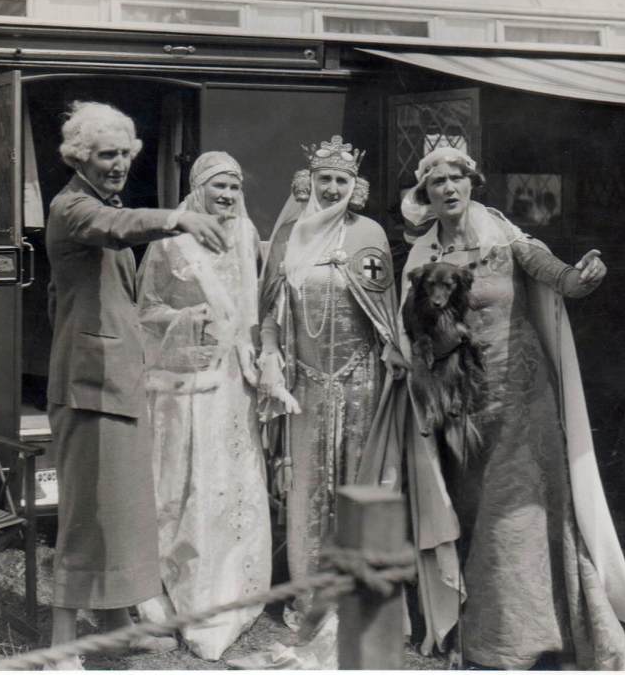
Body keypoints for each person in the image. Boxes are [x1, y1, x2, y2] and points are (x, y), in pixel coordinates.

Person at [397, 146, 625, 668]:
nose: (449, 188)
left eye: (457, 179)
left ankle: (521, 638)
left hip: (520, 393)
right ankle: (473, 627)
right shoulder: (422, 254)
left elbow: (558, 277)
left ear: (472, 183)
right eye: (437, 183)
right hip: (462, 403)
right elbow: (411, 329)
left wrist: (582, 276)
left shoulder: (503, 234)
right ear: (426, 194)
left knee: (516, 509)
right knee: (470, 508)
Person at [45, 101, 230, 668]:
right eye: (107, 154)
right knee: (86, 516)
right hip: (88, 384)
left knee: (121, 511)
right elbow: (116, 229)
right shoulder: (72, 208)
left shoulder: (103, 205)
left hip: (116, 377)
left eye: (126, 153)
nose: (120, 164)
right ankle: (61, 648)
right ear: (80, 156)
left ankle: (115, 625)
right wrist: (178, 218)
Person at [257, 135, 407, 633]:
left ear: (354, 186)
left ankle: (356, 598)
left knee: (357, 486)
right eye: (325, 178)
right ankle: (309, 597)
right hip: (304, 384)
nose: (333, 188)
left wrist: (391, 355)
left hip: (361, 379)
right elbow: (270, 310)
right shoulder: (288, 236)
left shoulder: (369, 233)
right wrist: (271, 355)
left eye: (342, 180)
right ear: (309, 181)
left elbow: (384, 314)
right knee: (306, 490)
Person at [135, 152, 271, 660]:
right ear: (198, 190)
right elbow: (146, 310)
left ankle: (230, 589)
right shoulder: (172, 240)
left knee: (230, 481)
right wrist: (188, 319)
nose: (228, 196)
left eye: (235, 187)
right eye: (219, 187)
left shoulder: (246, 234)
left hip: (232, 380)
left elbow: (251, 310)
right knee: (184, 483)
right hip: (184, 381)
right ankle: (179, 593)